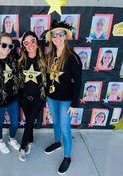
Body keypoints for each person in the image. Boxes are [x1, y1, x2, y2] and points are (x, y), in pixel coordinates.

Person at [44, 20, 82, 175]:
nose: (57, 38)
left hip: (66, 100)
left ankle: (67, 157)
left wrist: (74, 104)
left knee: (65, 128)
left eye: (60, 34)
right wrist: (47, 94)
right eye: (54, 35)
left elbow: (78, 82)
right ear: (51, 38)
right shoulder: (50, 55)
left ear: (65, 36)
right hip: (52, 97)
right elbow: (48, 77)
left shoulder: (73, 58)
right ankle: (56, 142)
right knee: (56, 122)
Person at [18, 31, 47, 161]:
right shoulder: (21, 60)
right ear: (23, 45)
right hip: (24, 97)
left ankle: (22, 147)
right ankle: (30, 141)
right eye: (26, 42)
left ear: (37, 42)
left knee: (29, 122)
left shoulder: (44, 59)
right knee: (29, 120)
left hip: (38, 98)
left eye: (33, 41)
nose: (30, 44)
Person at [0, 33, 20, 154]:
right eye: (4, 45)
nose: (7, 48)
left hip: (13, 97)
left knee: (15, 122)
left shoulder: (13, 57)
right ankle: (0, 141)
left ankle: (11, 138)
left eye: (10, 45)